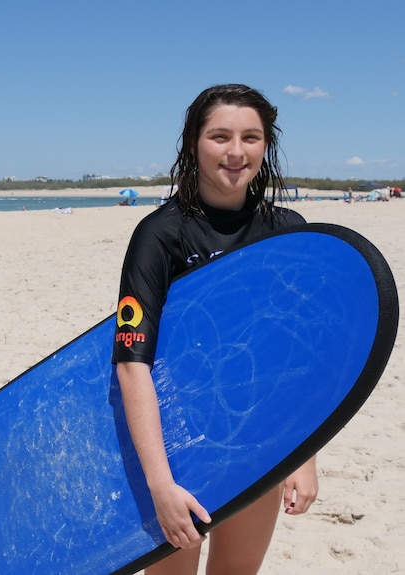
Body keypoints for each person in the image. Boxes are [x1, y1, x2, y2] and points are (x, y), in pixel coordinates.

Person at [113, 84, 318, 575]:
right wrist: (160, 484)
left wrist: (306, 456)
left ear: (266, 145)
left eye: (251, 137)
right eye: (219, 136)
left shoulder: (287, 230)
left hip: (258, 440)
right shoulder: (160, 235)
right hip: (177, 447)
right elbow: (131, 363)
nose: (235, 151)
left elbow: (295, 356)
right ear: (193, 143)